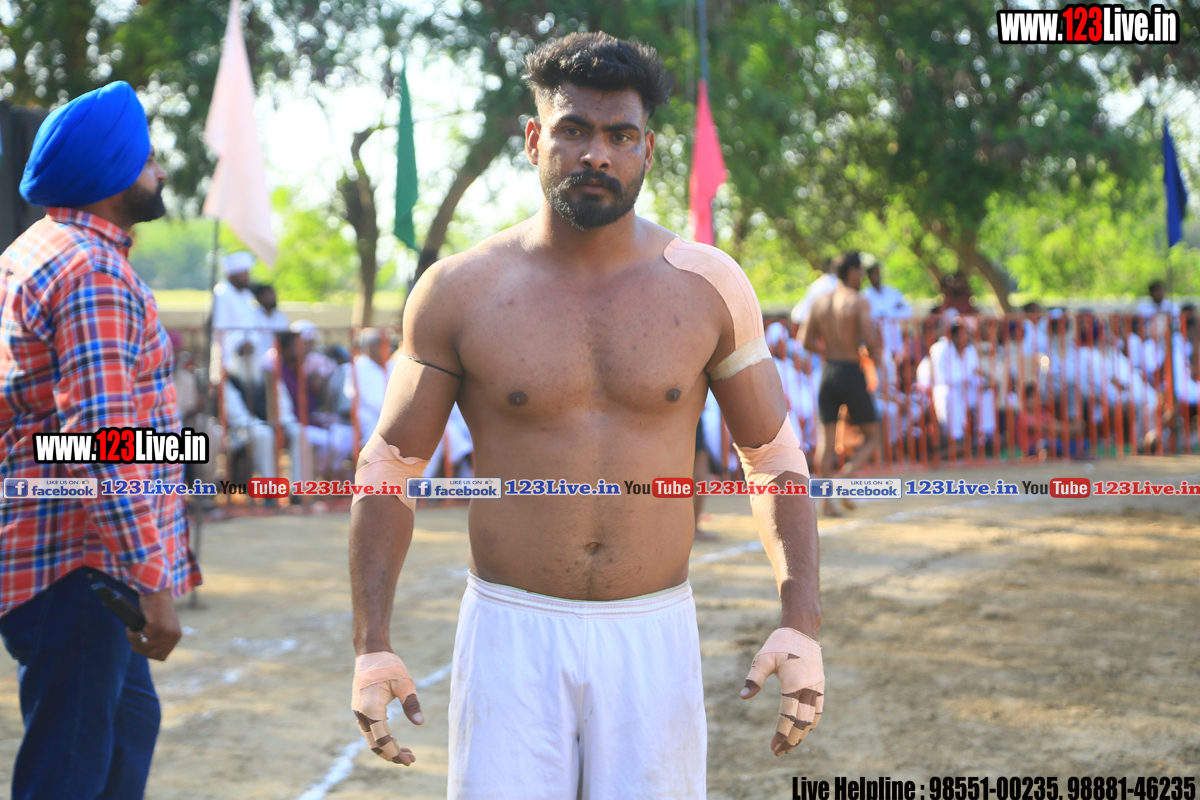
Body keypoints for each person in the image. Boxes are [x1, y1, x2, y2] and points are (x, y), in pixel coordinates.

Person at [347, 32, 823, 799]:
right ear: (535, 139)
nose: (597, 153)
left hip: (652, 633)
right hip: (510, 632)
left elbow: (770, 456)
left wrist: (800, 622)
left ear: (648, 150)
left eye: (620, 135)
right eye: (573, 130)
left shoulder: (709, 285)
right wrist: (372, 643)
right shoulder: (458, 290)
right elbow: (390, 465)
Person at [0, 81, 199, 800]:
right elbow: (103, 443)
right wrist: (152, 582)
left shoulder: (37, 249)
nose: (160, 171)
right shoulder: (93, 273)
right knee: (70, 772)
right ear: (110, 171)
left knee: (125, 730)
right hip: (82, 565)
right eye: (146, 158)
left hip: (67, 557)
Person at [801, 252, 881, 516]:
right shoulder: (858, 301)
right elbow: (870, 340)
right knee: (873, 435)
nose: (862, 277)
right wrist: (872, 358)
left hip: (828, 372)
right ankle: (846, 477)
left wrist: (828, 351)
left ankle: (825, 503)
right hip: (850, 370)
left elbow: (805, 340)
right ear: (852, 272)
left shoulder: (819, 301)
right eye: (860, 272)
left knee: (826, 439)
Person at [210, 251, 262, 381]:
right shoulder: (222, 293)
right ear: (233, 275)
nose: (247, 277)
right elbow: (220, 328)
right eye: (244, 274)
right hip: (230, 355)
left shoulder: (246, 295)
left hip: (251, 354)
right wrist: (239, 345)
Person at [862, 260, 911, 355]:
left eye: (877, 273)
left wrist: (888, 314)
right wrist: (892, 311)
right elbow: (869, 316)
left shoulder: (893, 292)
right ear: (868, 276)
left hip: (895, 336)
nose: (876, 276)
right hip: (877, 339)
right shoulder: (864, 296)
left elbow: (907, 310)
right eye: (873, 274)